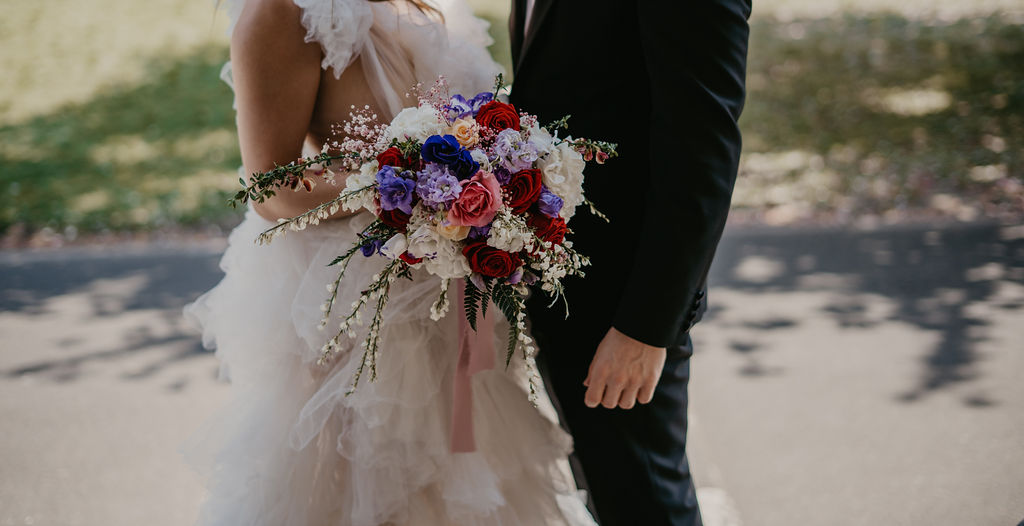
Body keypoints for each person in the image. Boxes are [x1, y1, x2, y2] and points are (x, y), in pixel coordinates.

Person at [179, 0, 596, 524]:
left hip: (453, 307)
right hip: (365, 326)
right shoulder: (283, 10)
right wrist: (406, 189)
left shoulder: (432, 5)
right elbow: (268, 189)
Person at [509, 1, 752, 525]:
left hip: (620, 306)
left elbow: (703, 145)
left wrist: (646, 328)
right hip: (551, 285)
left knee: (647, 505)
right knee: (605, 495)